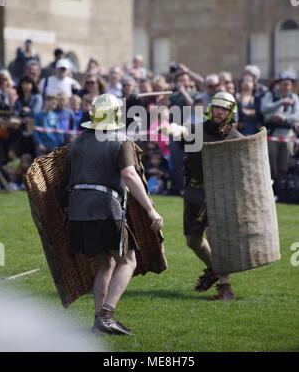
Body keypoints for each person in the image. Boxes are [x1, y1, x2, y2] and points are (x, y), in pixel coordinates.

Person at [67, 94, 163, 335]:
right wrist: (151, 211)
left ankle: (98, 323)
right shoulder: (120, 140)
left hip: (78, 211)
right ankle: (107, 314)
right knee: (128, 261)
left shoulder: (79, 141)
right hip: (105, 208)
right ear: (117, 115)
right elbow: (129, 175)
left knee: (106, 263)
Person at [170, 92, 242, 300]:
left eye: (224, 109)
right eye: (217, 107)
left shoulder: (235, 139)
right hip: (194, 191)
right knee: (193, 241)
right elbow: (184, 132)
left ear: (230, 113)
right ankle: (214, 269)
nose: (219, 111)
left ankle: (226, 288)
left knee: (215, 237)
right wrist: (174, 129)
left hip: (218, 193)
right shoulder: (198, 130)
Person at [261, 71, 299, 190]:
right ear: (279, 84)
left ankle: (280, 188)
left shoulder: (294, 97)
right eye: (284, 84)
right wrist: (280, 102)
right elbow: (264, 110)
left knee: (286, 161)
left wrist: (284, 118)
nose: (286, 87)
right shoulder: (271, 95)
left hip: (288, 134)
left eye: (288, 84)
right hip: (272, 133)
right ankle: (270, 188)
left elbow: (297, 116)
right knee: (271, 160)